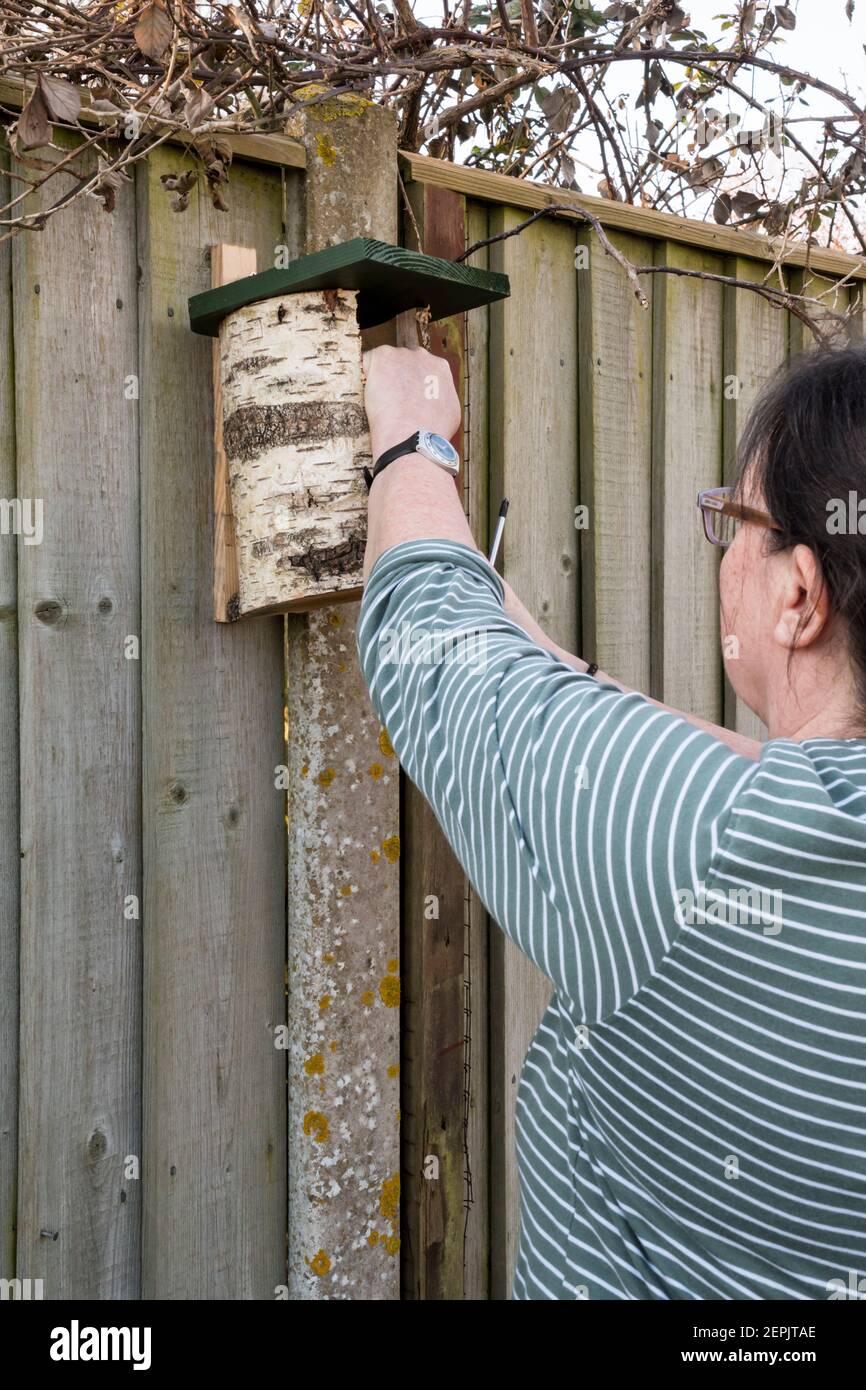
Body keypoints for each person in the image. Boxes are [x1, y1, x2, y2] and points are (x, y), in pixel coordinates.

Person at [356, 340, 866, 1301]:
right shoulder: (760, 818)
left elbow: (426, 634)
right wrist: (537, 648)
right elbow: (747, 773)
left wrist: (412, 439)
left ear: (799, 594)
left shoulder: (704, 845)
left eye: (736, 522)